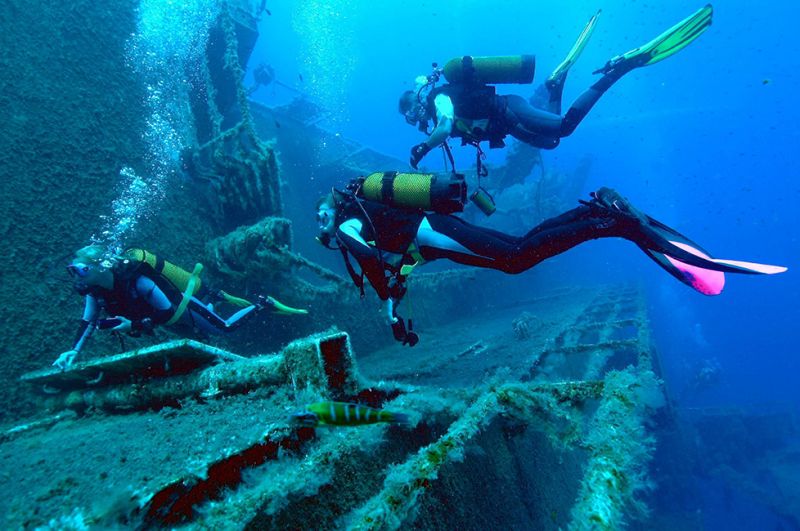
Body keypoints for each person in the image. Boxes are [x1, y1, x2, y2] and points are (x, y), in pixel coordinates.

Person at [316, 178, 786, 345]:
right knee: (518, 249)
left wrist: (385, 289)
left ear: (331, 212)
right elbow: (397, 265)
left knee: (516, 259)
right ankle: (595, 211)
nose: (324, 230)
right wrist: (393, 311)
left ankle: (609, 222)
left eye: (322, 220)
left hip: (432, 231)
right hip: (433, 234)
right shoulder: (361, 219)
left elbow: (369, 256)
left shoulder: (345, 225)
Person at [400, 5, 713, 169]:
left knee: (564, 127)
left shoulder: (440, 98)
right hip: (506, 123)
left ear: (418, 101)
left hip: (509, 108)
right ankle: (555, 83)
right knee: (551, 143)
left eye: (412, 112)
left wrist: (424, 147)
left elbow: (444, 125)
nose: (415, 119)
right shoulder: (438, 106)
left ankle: (621, 67)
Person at [53, 245, 308, 370]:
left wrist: (133, 325)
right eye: (72, 271)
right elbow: (88, 322)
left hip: (180, 308)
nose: (77, 277)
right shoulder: (95, 291)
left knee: (225, 329)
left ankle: (263, 303)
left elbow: (165, 310)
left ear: (101, 266)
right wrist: (73, 351)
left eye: (81, 270)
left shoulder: (136, 280)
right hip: (166, 322)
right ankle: (213, 300)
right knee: (202, 338)